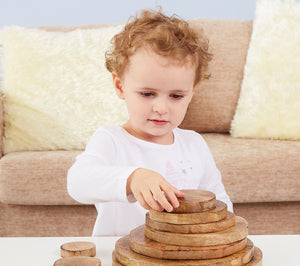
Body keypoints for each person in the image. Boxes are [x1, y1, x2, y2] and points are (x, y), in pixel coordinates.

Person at [67, 9, 233, 236]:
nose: (161, 108)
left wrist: (225, 233)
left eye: (176, 96)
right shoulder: (111, 140)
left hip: (178, 256)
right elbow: (77, 183)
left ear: (191, 93)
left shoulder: (194, 144)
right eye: (147, 94)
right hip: (119, 260)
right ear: (120, 86)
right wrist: (132, 178)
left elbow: (218, 201)